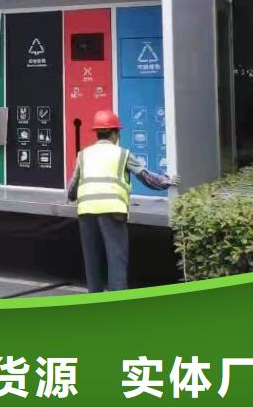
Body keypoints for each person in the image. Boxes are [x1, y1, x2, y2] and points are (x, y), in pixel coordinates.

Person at [67, 109, 177, 293]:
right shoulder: (122, 154)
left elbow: (72, 190)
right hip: (112, 211)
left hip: (86, 212)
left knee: (92, 261)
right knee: (116, 259)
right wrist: (168, 181)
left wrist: (74, 196)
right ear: (114, 133)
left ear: (97, 133)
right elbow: (147, 178)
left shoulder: (84, 154)